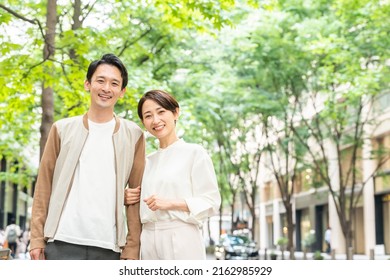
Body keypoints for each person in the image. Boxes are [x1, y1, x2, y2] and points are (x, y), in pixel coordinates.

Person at [29, 53, 145, 260]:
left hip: (110, 246)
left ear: (122, 92)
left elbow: (135, 195)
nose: (106, 88)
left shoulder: (133, 135)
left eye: (114, 83)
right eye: (100, 80)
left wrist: (132, 246)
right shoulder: (62, 129)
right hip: (61, 241)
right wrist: (37, 238)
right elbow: (44, 185)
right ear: (87, 84)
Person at [125, 89, 221, 260]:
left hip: (181, 235)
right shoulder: (146, 162)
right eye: (148, 116)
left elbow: (211, 202)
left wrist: (170, 203)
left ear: (176, 112)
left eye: (161, 112)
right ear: (143, 122)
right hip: (147, 239)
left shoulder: (194, 153)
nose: (155, 120)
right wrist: (127, 196)